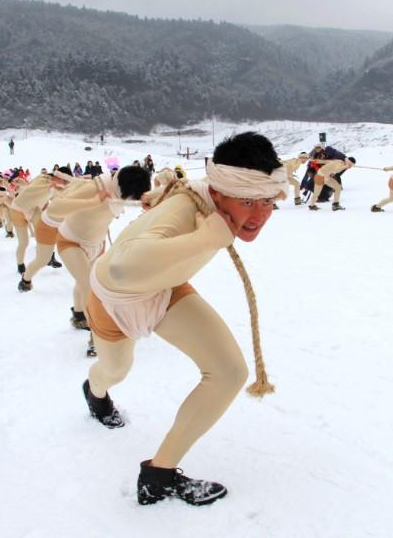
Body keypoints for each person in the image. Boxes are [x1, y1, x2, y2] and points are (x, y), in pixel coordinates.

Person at [82, 131, 286, 506]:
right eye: (247, 201)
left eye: (269, 202)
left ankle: (158, 474)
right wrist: (204, 240)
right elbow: (125, 269)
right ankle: (94, 392)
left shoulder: (211, 197)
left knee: (229, 373)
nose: (259, 215)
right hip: (114, 297)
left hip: (166, 286)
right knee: (115, 371)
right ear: (220, 190)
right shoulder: (184, 210)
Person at [46, 165, 151, 353]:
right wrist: (93, 201)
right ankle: (96, 337)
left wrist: (148, 202)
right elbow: (56, 206)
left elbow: (131, 201)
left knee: (85, 281)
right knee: (90, 286)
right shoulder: (98, 186)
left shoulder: (121, 194)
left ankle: (79, 315)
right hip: (71, 241)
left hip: (97, 243)